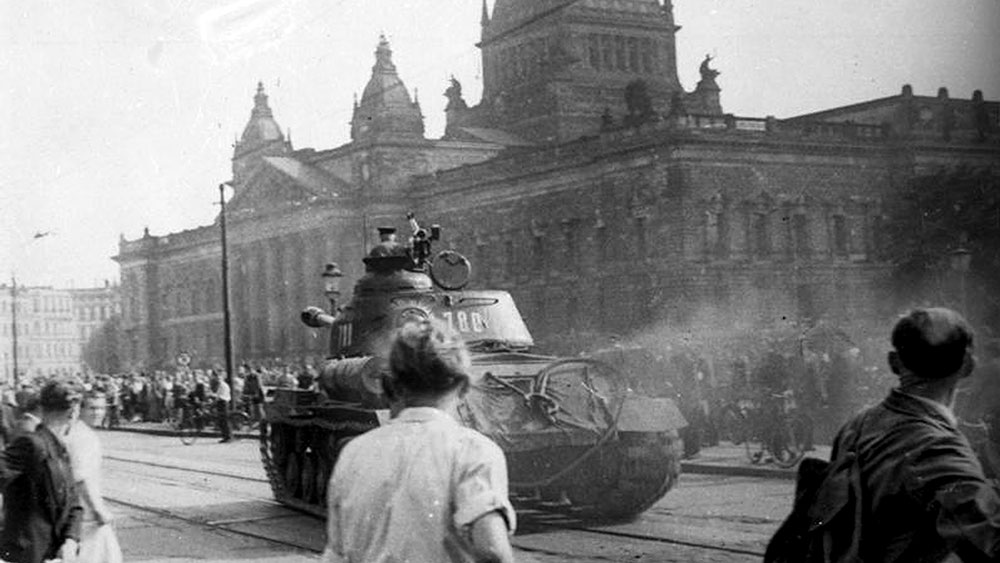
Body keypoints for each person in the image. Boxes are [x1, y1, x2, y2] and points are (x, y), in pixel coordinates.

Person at [321, 320, 516, 563]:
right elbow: (493, 551)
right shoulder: (474, 450)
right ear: (464, 387)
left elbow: (335, 555)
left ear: (390, 387)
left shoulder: (353, 452)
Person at [826, 308, 999, 561]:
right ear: (968, 365)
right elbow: (990, 539)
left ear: (893, 362)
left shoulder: (857, 425)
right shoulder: (936, 448)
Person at [0, 380, 84, 563]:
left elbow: (74, 503)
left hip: (55, 553)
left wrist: (70, 540)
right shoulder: (31, 444)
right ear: (73, 412)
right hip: (27, 554)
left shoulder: (60, 448)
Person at [66, 414, 122, 563]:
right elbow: (81, 478)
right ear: (81, 409)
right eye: (92, 408)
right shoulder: (83, 437)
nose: (98, 413)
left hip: (83, 510)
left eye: (101, 408)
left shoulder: (79, 432)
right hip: (88, 512)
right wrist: (97, 509)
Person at [209, 372, 232, 443]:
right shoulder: (221, 385)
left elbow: (221, 396)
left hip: (223, 403)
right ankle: (225, 436)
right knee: (222, 421)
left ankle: (228, 436)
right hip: (221, 402)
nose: (217, 379)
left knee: (224, 421)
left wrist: (214, 399)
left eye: (219, 378)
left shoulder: (223, 385)